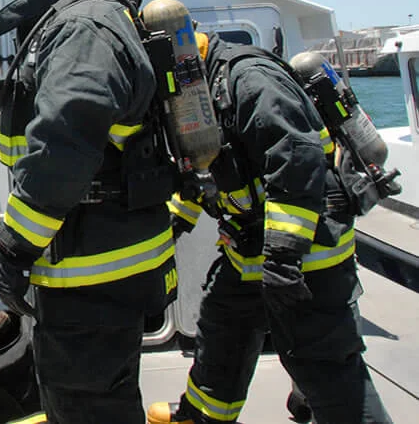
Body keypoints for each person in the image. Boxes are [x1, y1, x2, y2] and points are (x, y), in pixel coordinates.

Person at [0, 0, 178, 423]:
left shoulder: (81, 29)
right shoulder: (89, 19)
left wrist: (16, 248)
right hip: (98, 268)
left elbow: (62, 147)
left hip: (93, 275)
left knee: (88, 407)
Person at [147, 32, 391, 424]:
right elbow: (209, 168)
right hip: (249, 248)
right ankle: (202, 416)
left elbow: (297, 164)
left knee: (324, 364)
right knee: (222, 335)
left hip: (306, 255)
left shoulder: (250, 80)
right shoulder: (197, 90)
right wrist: (175, 222)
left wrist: (281, 259)